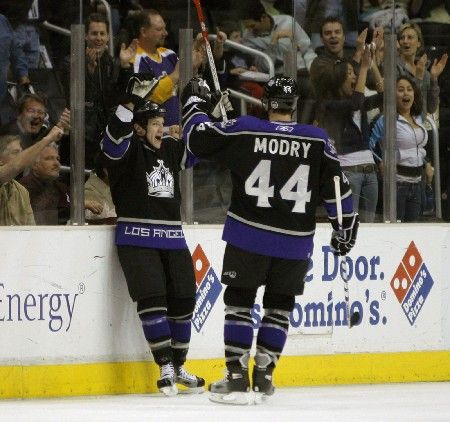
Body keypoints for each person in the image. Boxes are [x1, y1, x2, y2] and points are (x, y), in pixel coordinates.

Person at [180, 75, 359, 404]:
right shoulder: (318, 139)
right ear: (294, 105)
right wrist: (344, 228)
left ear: (267, 102)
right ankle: (263, 376)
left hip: (248, 236)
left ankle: (236, 378)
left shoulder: (246, 129)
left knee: (240, 304)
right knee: (279, 307)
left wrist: (197, 104)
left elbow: (196, 139)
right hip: (294, 243)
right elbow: (338, 187)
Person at [100, 74, 204, 395]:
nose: (161, 128)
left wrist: (198, 107)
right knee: (154, 299)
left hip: (173, 238)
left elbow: (198, 149)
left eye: (162, 122)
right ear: (139, 127)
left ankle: (180, 364)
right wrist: (129, 102)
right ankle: (165, 367)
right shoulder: (128, 150)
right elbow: (110, 143)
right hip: (136, 238)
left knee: (185, 298)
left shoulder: (171, 148)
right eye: (154, 123)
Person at [314, 46, 384, 222]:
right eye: (351, 73)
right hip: (348, 171)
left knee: (370, 228)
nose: (355, 76)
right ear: (339, 79)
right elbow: (355, 103)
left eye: (355, 73)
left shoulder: (358, 102)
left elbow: (385, 97)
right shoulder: (330, 105)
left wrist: (372, 64)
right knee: (349, 224)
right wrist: (363, 67)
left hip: (370, 170)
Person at [369, 76, 431, 222]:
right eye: (401, 90)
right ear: (392, 94)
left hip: (417, 182)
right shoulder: (385, 119)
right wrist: (379, 163)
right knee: (396, 231)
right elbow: (368, 145)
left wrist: (427, 162)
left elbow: (418, 146)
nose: (406, 93)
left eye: (409, 89)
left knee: (412, 232)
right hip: (396, 184)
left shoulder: (419, 118)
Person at [19, 143, 101, 224]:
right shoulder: (24, 188)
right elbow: (45, 213)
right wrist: (78, 205)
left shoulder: (60, 186)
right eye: (49, 158)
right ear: (34, 165)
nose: (57, 163)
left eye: (57, 159)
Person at [0, 127, 63, 225]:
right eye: (15, 152)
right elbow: (16, 165)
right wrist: (48, 139)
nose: (21, 156)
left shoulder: (21, 191)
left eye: (22, 152)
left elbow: (30, 228)